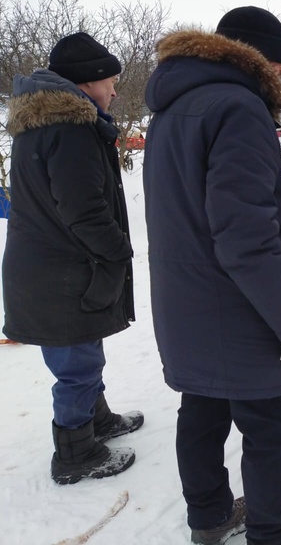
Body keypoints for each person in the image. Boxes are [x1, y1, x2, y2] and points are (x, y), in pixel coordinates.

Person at [143, 6, 281, 545]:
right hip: (239, 311)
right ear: (260, 61)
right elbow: (246, 237)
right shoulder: (238, 109)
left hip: (186, 305)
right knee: (274, 429)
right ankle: (273, 536)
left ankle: (210, 518)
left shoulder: (172, 109)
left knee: (201, 412)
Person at [3, 32, 143, 484]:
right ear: (87, 82)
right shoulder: (70, 129)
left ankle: (96, 421)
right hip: (57, 272)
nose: (115, 91)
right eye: (111, 81)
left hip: (50, 268)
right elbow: (83, 210)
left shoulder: (44, 125)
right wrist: (120, 250)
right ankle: (75, 453)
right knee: (77, 367)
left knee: (84, 354)